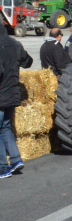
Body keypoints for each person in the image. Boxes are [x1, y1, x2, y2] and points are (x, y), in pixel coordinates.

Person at [0, 24, 33, 179]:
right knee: (5, 128)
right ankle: (15, 159)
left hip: (0, 95)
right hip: (13, 93)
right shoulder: (15, 43)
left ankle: (2, 167)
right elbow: (28, 62)